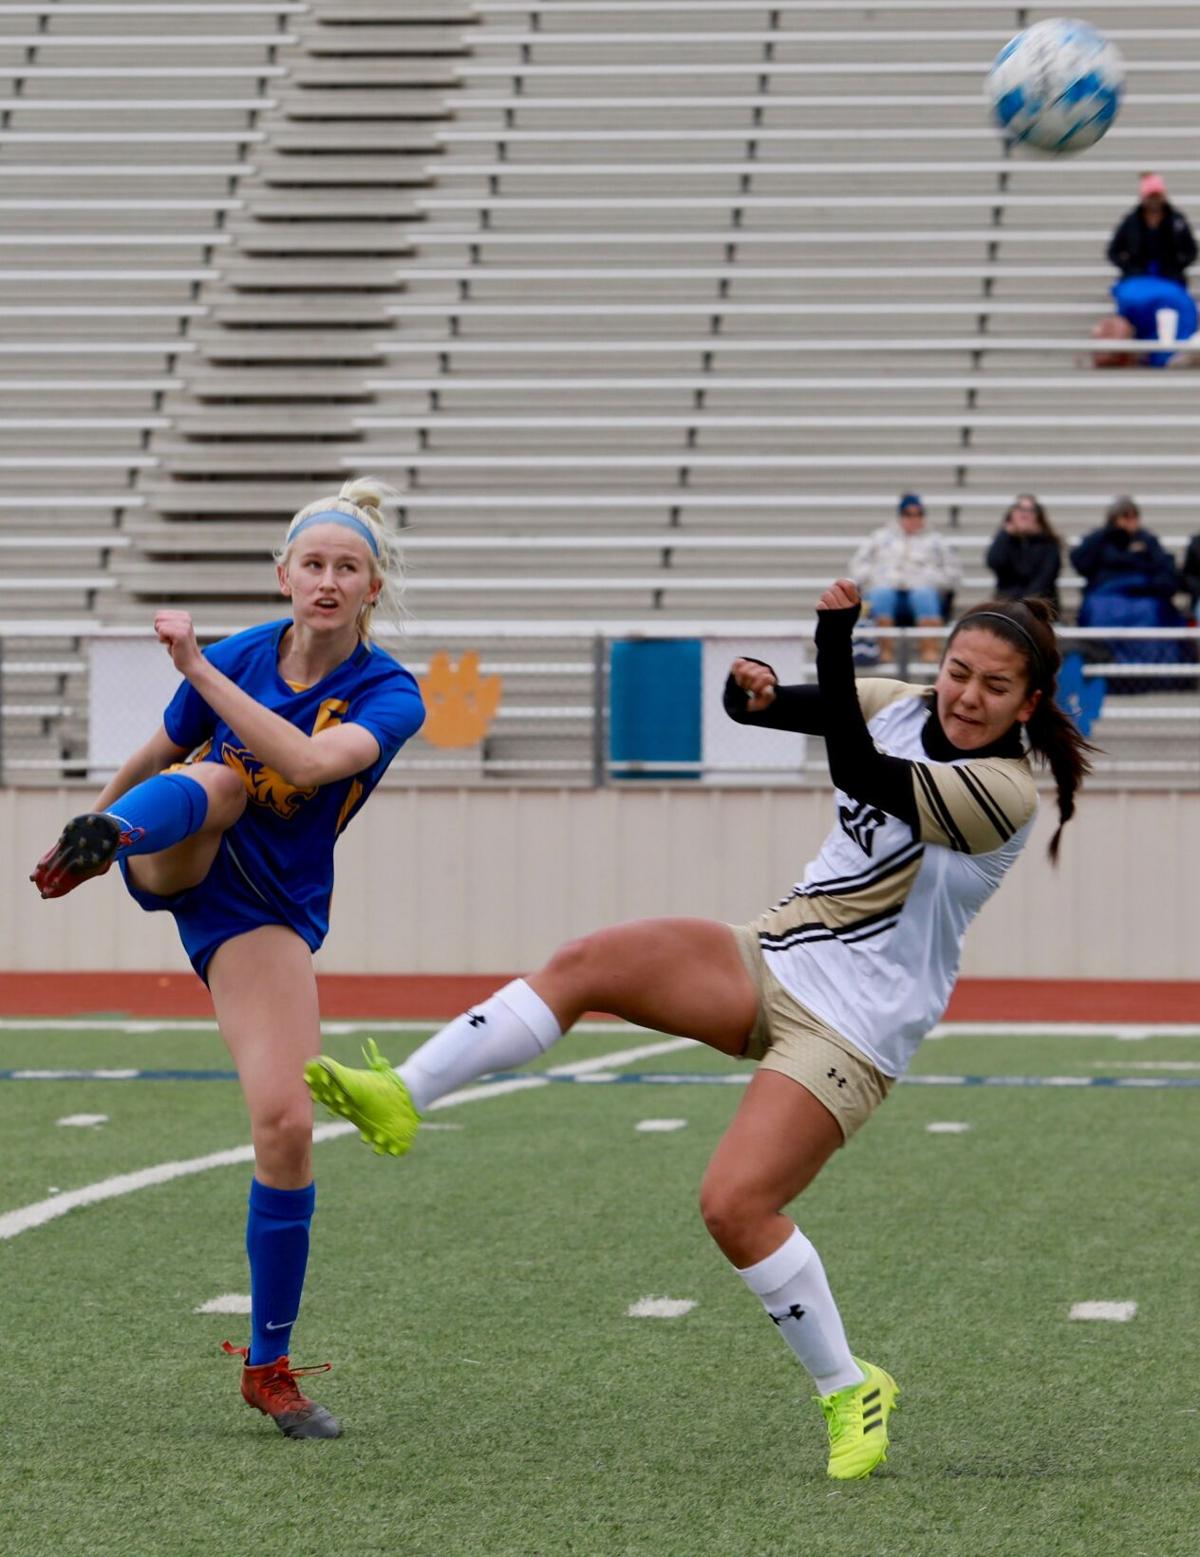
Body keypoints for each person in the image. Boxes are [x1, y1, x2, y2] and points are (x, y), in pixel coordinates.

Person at [304, 581, 1092, 1482]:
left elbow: (859, 772)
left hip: (853, 1027)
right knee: (590, 959)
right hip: (774, 955)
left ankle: (849, 1385)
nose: (966, 695)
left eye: (994, 687)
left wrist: (831, 638)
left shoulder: (1003, 790)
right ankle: (405, 1093)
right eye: (957, 672)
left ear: (1028, 704)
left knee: (734, 1205)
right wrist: (750, 691)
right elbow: (776, 712)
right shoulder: (904, 704)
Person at [29, 477, 425, 1439]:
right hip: (178, 843)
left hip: (263, 910)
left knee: (287, 1123)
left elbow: (309, 764)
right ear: (284, 573)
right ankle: (120, 837)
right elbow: (160, 747)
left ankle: (269, 1364)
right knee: (212, 778)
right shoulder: (246, 650)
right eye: (313, 564)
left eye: (348, 567)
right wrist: (90, 825)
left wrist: (200, 669)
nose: (327, 580)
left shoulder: (391, 690)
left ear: (373, 588)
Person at [1070, 496, 1188, 690]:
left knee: (1151, 611)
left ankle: (1149, 675)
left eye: (1134, 516)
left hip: (1142, 595)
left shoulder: (1147, 541)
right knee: (1100, 610)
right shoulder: (1100, 540)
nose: (1130, 521)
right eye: (1124, 516)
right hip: (1106, 595)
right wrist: (1109, 531)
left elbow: (1165, 573)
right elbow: (1080, 562)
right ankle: (1107, 670)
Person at [849, 494, 961, 665]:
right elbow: (857, 567)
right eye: (908, 514)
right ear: (900, 515)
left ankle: (929, 650)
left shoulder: (936, 541)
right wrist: (879, 576)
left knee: (924, 595)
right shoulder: (879, 538)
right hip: (888, 592)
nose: (913, 518)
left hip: (924, 594)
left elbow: (954, 574)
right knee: (881, 594)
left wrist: (928, 578)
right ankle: (884, 650)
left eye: (918, 514)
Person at [1106, 174, 1198, 367]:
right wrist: (1128, 267)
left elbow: (1191, 250)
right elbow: (1113, 250)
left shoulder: (1176, 221)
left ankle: (1169, 353)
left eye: (1157, 195)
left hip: (1167, 279)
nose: (1154, 200)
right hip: (1138, 279)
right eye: (1150, 195)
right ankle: (1148, 352)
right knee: (1138, 303)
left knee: (1175, 306)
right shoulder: (1131, 221)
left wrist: (1177, 266)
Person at [985, 494, 1062, 614]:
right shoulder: (1005, 540)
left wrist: (1024, 603)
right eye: (1020, 509)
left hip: (1039, 605)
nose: (1024, 514)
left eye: (1030, 510)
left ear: (1038, 516)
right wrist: (1005, 535)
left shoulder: (1048, 543)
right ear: (1011, 514)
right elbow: (994, 562)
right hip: (1006, 602)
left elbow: (1045, 579)